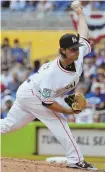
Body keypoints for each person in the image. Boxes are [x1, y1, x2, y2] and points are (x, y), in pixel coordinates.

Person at [0, 1, 97, 170]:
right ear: (63, 50)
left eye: (76, 48)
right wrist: (68, 110)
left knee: (9, 125)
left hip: (30, 90)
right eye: (73, 49)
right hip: (33, 95)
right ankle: (76, 160)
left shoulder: (78, 53)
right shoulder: (53, 74)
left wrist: (80, 13)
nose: (76, 51)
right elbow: (47, 102)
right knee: (59, 119)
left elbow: (83, 35)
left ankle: (75, 159)